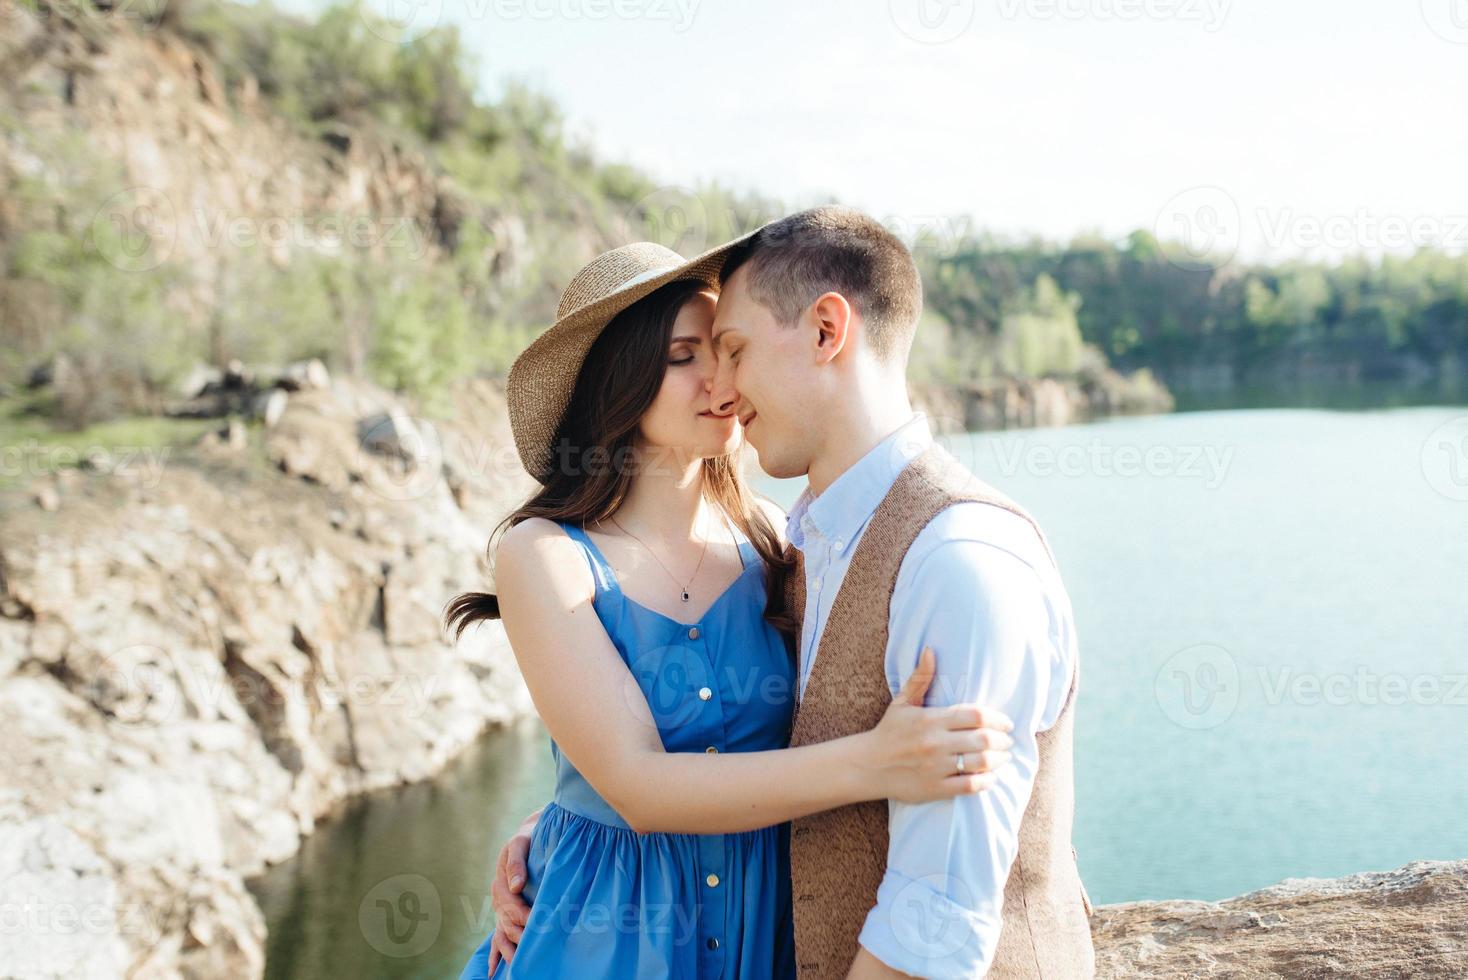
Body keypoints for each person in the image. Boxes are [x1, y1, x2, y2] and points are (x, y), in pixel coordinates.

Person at [486, 208, 1097, 978]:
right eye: (688, 356)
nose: (724, 381)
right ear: (621, 379)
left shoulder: (783, 541)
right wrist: (569, 819)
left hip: (762, 938)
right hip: (607, 943)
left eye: (729, 351)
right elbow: (635, 784)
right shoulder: (545, 553)